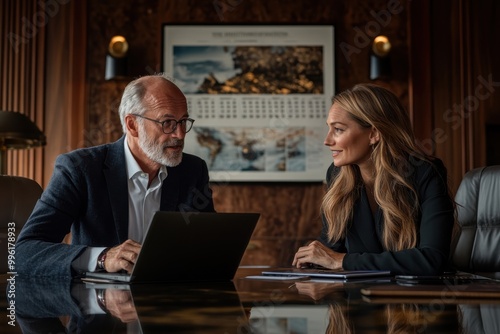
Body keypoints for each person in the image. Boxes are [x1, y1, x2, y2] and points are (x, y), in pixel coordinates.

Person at [16, 73, 215, 277]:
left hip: (168, 301)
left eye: (183, 121)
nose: (180, 134)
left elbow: (208, 245)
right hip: (97, 303)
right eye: (168, 123)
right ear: (132, 125)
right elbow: (25, 252)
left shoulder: (192, 170)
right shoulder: (80, 169)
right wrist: (103, 257)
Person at [292, 83, 455, 275]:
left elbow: (431, 259)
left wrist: (341, 261)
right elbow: (332, 249)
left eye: (338, 129)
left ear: (374, 133)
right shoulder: (337, 176)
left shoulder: (425, 172)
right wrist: (313, 259)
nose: (327, 141)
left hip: (410, 301)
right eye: (329, 129)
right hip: (356, 300)